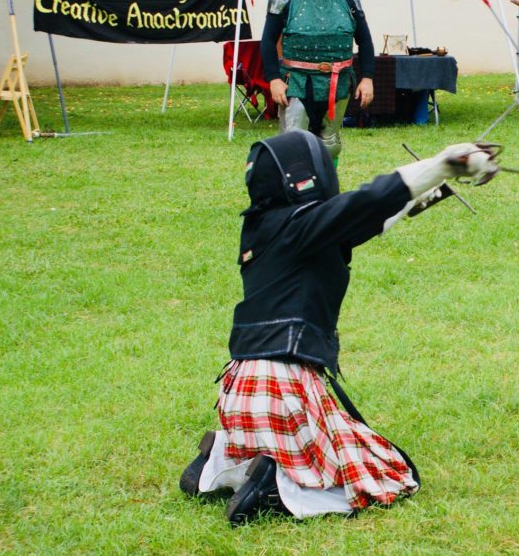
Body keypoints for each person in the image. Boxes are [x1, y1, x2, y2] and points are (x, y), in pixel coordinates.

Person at [179, 131, 499, 525]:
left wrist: (436, 185)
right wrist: (444, 163)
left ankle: (220, 462)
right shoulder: (304, 227)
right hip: (283, 391)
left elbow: (360, 223)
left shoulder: (264, 229)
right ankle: (276, 488)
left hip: (239, 394)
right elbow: (366, 203)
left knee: (306, 445)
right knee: (385, 469)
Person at [261, 0, 375, 167]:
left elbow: (364, 40)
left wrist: (368, 78)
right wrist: (273, 79)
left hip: (338, 82)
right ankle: (294, 196)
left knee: (330, 144)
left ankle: (327, 192)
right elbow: (267, 41)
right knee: (292, 144)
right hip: (297, 82)